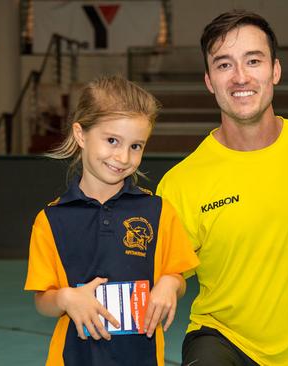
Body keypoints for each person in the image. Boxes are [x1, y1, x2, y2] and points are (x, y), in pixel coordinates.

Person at [156, 11, 288, 366]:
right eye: (224, 65)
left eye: (253, 61)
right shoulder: (181, 182)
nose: (240, 77)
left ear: (275, 71)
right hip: (221, 341)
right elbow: (164, 269)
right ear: (209, 80)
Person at [24, 75, 199, 366]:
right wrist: (66, 299)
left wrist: (169, 284)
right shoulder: (50, 220)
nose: (123, 157)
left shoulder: (158, 211)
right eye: (112, 140)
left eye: (136, 146)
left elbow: (177, 275)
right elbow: (44, 300)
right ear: (81, 135)